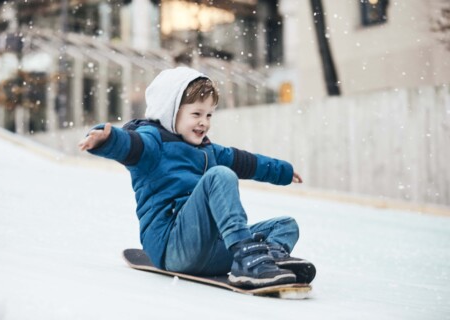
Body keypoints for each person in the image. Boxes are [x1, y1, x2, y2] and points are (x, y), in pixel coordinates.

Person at [79, 66, 316, 288]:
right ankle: (247, 258)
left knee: (285, 225)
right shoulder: (153, 143)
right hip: (173, 247)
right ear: (170, 112)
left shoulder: (207, 150)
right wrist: (107, 140)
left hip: (213, 250)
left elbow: (245, 162)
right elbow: (130, 145)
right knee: (219, 175)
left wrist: (282, 171)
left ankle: (269, 257)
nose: (204, 122)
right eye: (196, 114)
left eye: (209, 115)